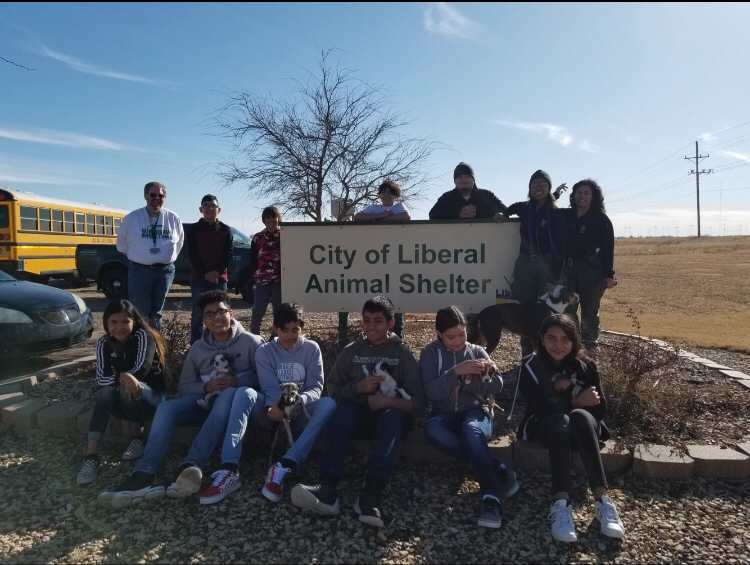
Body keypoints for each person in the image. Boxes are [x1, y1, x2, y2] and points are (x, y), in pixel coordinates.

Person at [97, 290, 263, 509]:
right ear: (203, 321)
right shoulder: (197, 349)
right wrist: (206, 386)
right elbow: (184, 388)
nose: (216, 318)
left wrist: (237, 382)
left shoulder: (252, 342)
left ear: (231, 313)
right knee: (166, 407)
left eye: (221, 312)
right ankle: (145, 473)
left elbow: (264, 380)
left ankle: (190, 465)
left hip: (238, 409)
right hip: (205, 402)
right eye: (209, 315)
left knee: (229, 395)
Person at [291, 296, 425, 529]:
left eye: (378, 321)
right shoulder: (351, 351)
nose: (371, 327)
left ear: (391, 323)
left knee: (391, 419)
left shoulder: (401, 354)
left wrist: (386, 402)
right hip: (357, 413)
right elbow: (332, 389)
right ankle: (328, 488)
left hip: (391, 415)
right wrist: (357, 388)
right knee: (340, 414)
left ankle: (372, 493)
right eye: (366, 321)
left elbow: (420, 401)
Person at [185, 302, 337, 505]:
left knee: (328, 404)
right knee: (243, 393)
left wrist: (297, 401)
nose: (290, 336)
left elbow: (315, 388)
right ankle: (230, 468)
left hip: (300, 412)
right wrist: (275, 407)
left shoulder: (311, 348)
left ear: (302, 328)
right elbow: (269, 388)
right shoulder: (265, 351)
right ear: (275, 328)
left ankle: (285, 464)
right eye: (284, 330)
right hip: (271, 411)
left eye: (295, 330)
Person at [515, 314, 624, 542]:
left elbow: (600, 410)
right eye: (552, 338)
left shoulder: (586, 365)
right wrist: (575, 401)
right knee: (562, 420)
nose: (558, 345)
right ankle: (561, 503)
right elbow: (539, 408)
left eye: (565, 339)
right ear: (541, 339)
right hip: (550, 429)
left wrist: (580, 405)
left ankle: (603, 501)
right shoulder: (531, 365)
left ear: (574, 341)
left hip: (582, 432)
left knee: (580, 417)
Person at [420, 306, 518, 529]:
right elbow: (431, 392)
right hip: (444, 415)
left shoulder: (476, 351)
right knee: (431, 430)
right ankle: (498, 468)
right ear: (438, 334)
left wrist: (466, 382)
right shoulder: (429, 353)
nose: (458, 341)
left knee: (471, 430)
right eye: (450, 337)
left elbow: (497, 383)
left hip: (477, 411)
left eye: (462, 334)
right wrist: (455, 373)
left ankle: (491, 498)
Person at [76, 299, 168, 485]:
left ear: (134, 321)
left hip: (152, 399)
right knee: (106, 393)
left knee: (128, 387)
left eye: (125, 321)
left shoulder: (144, 336)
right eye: (114, 322)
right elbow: (102, 377)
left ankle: (137, 437)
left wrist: (126, 377)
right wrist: (123, 378)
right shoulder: (104, 343)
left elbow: (142, 369)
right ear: (106, 323)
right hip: (123, 401)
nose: (120, 327)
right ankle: (91, 456)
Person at [500, 170, 567, 356]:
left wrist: (553, 277)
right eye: (534, 184)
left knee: (546, 314)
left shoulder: (555, 213)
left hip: (546, 264)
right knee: (526, 312)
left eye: (543, 184)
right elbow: (512, 207)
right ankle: (527, 356)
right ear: (529, 188)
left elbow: (560, 248)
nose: (538, 187)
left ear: (549, 188)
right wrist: (503, 213)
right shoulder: (524, 208)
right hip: (525, 265)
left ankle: (546, 355)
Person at [116, 181, 184, 329]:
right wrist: (141, 257)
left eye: (161, 195)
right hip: (140, 271)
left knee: (157, 312)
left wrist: (166, 258)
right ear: (145, 196)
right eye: (153, 195)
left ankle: (155, 347)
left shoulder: (173, 218)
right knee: (140, 312)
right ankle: (140, 345)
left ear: (165, 197)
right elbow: (121, 245)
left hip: (165, 271)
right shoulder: (132, 218)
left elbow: (179, 244)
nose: (156, 198)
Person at [561, 179, 616, 348]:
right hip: (568, 269)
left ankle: (589, 347)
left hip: (591, 271)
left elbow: (608, 249)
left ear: (594, 196)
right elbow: (546, 209)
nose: (582, 196)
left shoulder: (601, 219)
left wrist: (608, 275)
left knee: (589, 310)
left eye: (586, 193)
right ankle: (571, 346)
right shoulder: (566, 215)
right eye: (579, 192)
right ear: (573, 195)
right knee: (567, 309)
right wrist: (555, 193)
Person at [353, 179, 409, 337]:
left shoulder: (398, 206)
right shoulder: (375, 207)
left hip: (396, 257)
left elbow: (406, 216)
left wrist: (381, 219)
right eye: (383, 191)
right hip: (375, 258)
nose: (386, 195)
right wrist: (383, 216)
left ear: (395, 194)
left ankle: (397, 336)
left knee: (397, 296)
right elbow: (357, 218)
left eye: (390, 192)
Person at [186, 194, 234, 344]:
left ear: (219, 209)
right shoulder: (193, 229)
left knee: (221, 313)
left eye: (213, 206)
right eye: (206, 206)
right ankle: (196, 346)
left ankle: (221, 342)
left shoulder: (226, 230)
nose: (210, 209)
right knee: (198, 314)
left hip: (219, 279)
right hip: (199, 278)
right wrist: (206, 273)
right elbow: (192, 254)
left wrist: (216, 272)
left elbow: (229, 253)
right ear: (201, 209)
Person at [428, 162, 507, 221]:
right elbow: (433, 215)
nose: (463, 179)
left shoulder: (487, 195)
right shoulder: (446, 197)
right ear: (454, 181)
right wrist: (458, 214)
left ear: (473, 179)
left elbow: (506, 211)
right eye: (459, 177)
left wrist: (501, 214)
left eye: (467, 176)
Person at [250, 207, 282, 338]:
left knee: (278, 312)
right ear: (264, 220)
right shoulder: (258, 237)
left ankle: (275, 338)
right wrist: (255, 274)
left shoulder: (284, 236)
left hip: (279, 281)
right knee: (258, 311)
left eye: (273, 217)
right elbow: (252, 259)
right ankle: (254, 337)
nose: (271, 220)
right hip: (262, 281)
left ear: (278, 218)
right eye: (268, 217)